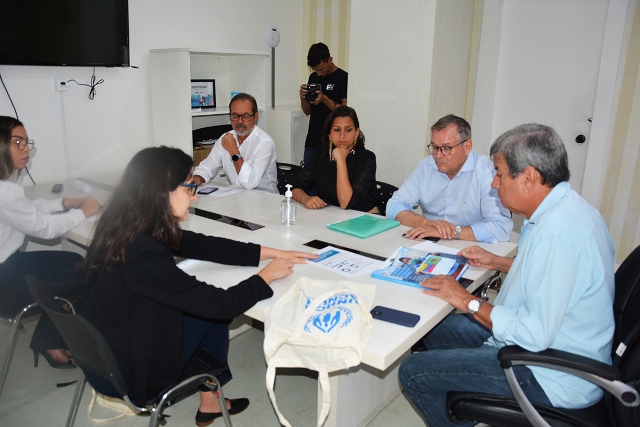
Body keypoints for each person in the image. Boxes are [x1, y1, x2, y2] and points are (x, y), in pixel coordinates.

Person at [399, 124, 615, 427]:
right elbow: (554, 279)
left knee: (414, 371)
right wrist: (497, 262)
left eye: (499, 174)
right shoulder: (564, 211)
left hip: (549, 372)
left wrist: (467, 301)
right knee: (432, 328)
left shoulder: (559, 233)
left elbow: (532, 334)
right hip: (538, 341)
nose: (493, 184)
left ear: (529, 178)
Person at [81, 146, 316, 426]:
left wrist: (272, 251)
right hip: (137, 372)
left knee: (204, 309)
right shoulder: (143, 252)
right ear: (161, 191)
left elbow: (201, 244)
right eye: (190, 187)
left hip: (112, 347)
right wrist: (268, 275)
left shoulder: (126, 225)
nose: (193, 197)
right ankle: (211, 400)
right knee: (213, 313)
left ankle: (210, 401)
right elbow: (222, 303)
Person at [0, 115, 101, 367]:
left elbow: (27, 208)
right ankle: (53, 341)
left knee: (75, 261)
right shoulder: (5, 191)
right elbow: (44, 230)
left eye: (26, 142)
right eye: (17, 142)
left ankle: (49, 339)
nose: (26, 149)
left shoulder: (6, 188)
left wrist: (64, 203)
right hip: (6, 285)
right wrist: (84, 212)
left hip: (7, 269)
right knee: (88, 274)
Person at [386, 114, 512, 243]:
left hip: (471, 246)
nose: (438, 155)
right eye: (434, 147)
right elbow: (394, 205)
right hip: (429, 243)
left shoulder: (487, 173)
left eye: (446, 148)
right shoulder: (426, 166)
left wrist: (452, 232)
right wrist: (427, 223)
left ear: (467, 147)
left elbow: (501, 228)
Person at [292, 106, 377, 212]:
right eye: (337, 130)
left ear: (356, 133)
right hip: (331, 216)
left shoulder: (367, 158)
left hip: (363, 219)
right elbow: (295, 188)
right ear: (329, 135)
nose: (342, 136)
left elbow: (346, 203)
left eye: (348, 130)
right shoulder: (321, 154)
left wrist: (341, 159)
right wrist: (306, 199)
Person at [193, 93, 278, 193]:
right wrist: (196, 179)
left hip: (266, 201)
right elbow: (207, 168)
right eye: (235, 116)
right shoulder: (225, 138)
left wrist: (233, 151)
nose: (240, 121)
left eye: (246, 116)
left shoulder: (264, 143)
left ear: (256, 117)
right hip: (238, 199)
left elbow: (250, 183)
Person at [299, 42, 348, 167]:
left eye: (321, 69)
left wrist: (324, 99)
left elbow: (346, 112)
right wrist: (303, 98)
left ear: (330, 60)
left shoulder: (343, 78)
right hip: (312, 139)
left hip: (332, 142)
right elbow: (307, 111)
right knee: (307, 181)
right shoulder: (313, 77)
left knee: (328, 182)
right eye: (315, 70)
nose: (319, 74)